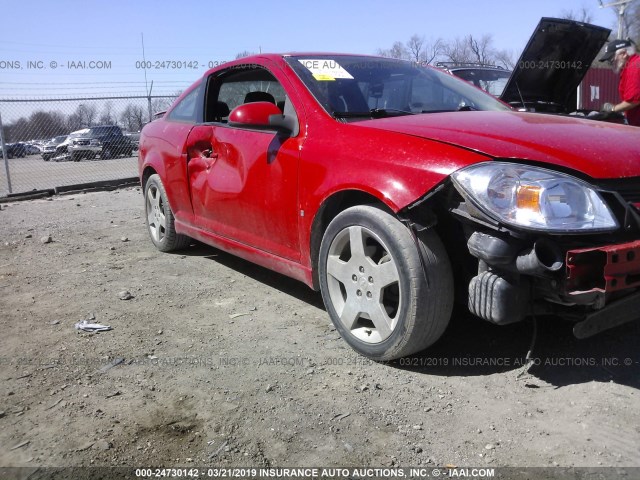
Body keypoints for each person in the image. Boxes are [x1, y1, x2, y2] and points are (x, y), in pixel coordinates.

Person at [599, 39, 640, 126]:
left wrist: (612, 109)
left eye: (612, 58)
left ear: (624, 54)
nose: (610, 63)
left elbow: (634, 101)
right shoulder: (632, 65)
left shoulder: (633, 67)